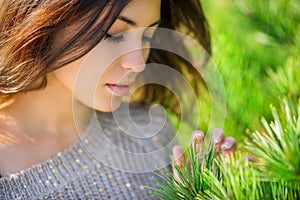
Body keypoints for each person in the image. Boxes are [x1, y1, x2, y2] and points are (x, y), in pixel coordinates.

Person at [0, 0, 237, 199]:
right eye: (114, 35)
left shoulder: (148, 137)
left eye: (147, 36)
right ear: (47, 17)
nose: (138, 62)